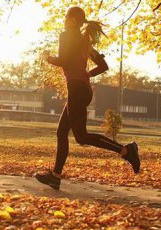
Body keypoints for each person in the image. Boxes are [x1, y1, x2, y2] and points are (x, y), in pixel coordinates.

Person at [35, 6, 140, 190]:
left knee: (81, 137)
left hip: (77, 90)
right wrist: (86, 75)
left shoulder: (67, 35)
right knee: (62, 133)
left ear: (74, 19)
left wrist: (47, 57)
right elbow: (103, 65)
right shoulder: (85, 42)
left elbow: (64, 60)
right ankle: (55, 176)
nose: (65, 20)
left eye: (67, 17)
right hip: (81, 88)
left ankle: (126, 150)